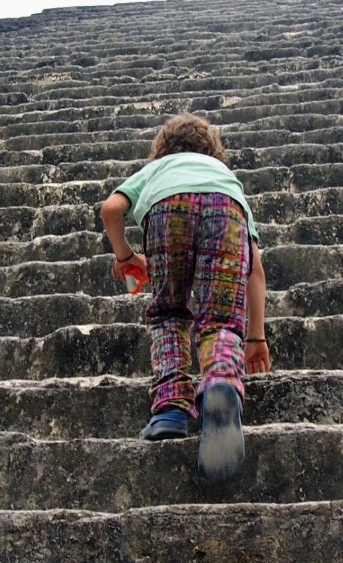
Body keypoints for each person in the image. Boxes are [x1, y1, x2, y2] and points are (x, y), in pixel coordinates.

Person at [99, 113, 270, 482]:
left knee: (170, 313)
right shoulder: (228, 179)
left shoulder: (159, 169)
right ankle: (222, 379)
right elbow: (254, 265)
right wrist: (256, 336)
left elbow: (111, 209)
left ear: (161, 149)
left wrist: (126, 256)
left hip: (165, 210)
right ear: (213, 151)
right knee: (220, 319)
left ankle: (170, 410)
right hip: (227, 212)